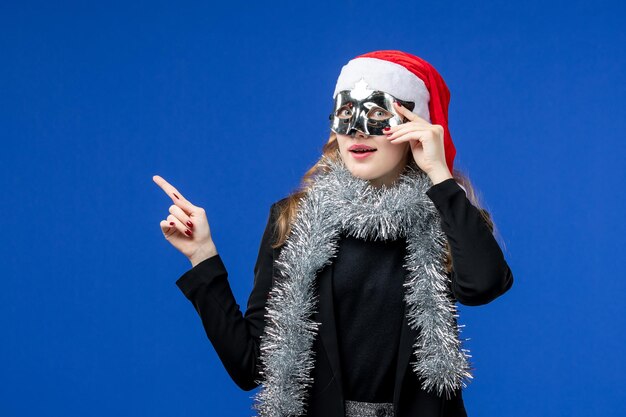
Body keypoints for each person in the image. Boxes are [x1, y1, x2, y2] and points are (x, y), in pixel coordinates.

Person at [153, 50, 514, 417]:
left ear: (414, 127)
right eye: (346, 115)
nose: (358, 130)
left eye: (378, 115)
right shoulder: (293, 219)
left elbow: (484, 286)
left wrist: (439, 175)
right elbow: (252, 367)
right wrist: (202, 255)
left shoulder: (448, 216)